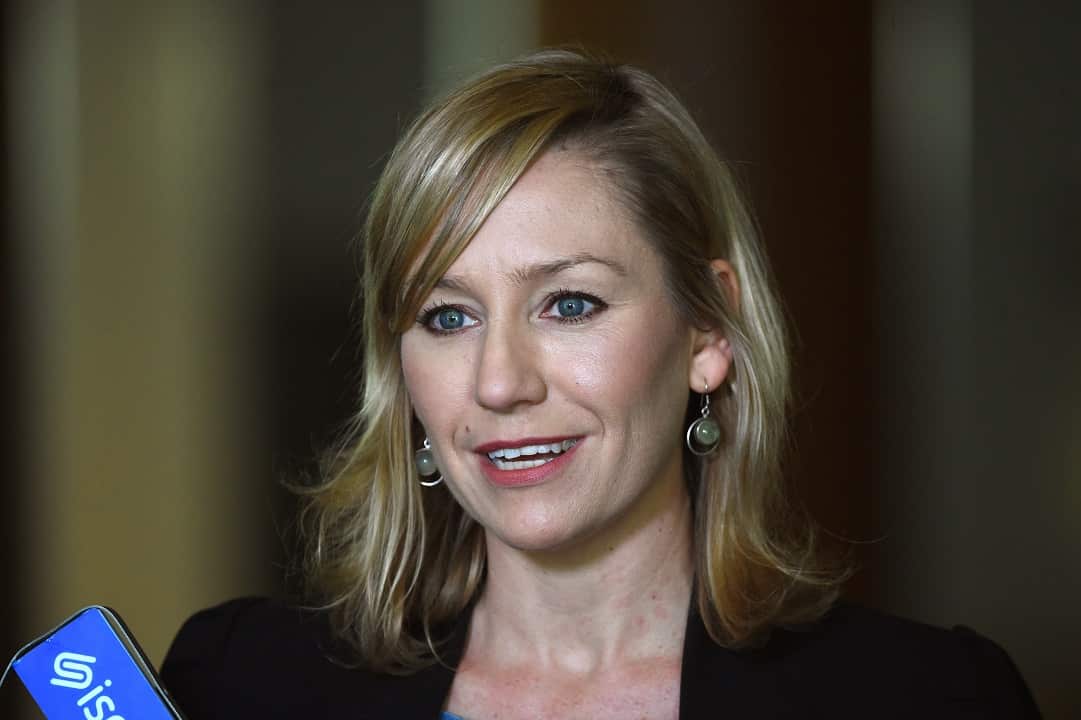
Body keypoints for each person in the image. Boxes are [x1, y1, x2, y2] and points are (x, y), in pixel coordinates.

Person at [160, 49, 1040, 719]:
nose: (499, 382)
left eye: (569, 303)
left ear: (708, 329)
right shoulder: (239, 681)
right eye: (447, 317)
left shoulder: (928, 699)